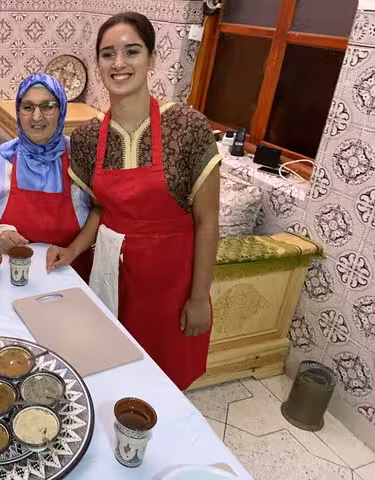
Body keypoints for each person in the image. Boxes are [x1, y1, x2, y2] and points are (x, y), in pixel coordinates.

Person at [46, 12, 221, 390]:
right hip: (113, 274)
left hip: (172, 284)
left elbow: (207, 221)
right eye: (108, 54)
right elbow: (100, 208)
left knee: (165, 384)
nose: (119, 63)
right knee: (114, 374)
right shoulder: (90, 137)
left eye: (132, 51)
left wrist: (199, 297)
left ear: (152, 58)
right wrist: (74, 249)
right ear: (98, 63)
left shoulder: (188, 127)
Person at [0, 73, 93, 280]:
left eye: (47, 106)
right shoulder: (1, 158)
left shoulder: (79, 158)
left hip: (71, 273)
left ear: (61, 110)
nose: (36, 116)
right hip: (13, 274)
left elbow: (101, 212)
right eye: (28, 107)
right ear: (19, 111)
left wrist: (73, 250)